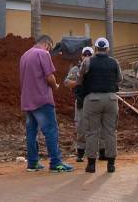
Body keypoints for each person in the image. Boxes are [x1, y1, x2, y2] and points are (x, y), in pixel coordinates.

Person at [20, 35, 73, 173]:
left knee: (31, 132)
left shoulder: (25, 55)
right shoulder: (43, 54)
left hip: (27, 100)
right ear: (47, 44)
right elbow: (49, 77)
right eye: (50, 48)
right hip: (42, 99)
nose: (49, 50)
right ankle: (56, 162)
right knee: (51, 131)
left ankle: (32, 163)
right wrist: (55, 86)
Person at [76, 37, 122, 173]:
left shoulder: (87, 61)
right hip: (111, 99)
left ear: (95, 48)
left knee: (92, 132)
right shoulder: (114, 62)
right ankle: (111, 164)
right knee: (110, 132)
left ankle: (91, 164)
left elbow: (79, 79)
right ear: (107, 49)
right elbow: (119, 79)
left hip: (92, 99)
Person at [64, 46, 106, 162]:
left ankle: (102, 152)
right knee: (81, 127)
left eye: (89, 55)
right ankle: (80, 153)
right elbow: (66, 82)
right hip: (82, 101)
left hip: (96, 101)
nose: (87, 57)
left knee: (100, 127)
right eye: (85, 55)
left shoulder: (98, 67)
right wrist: (78, 82)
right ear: (81, 56)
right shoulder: (76, 69)